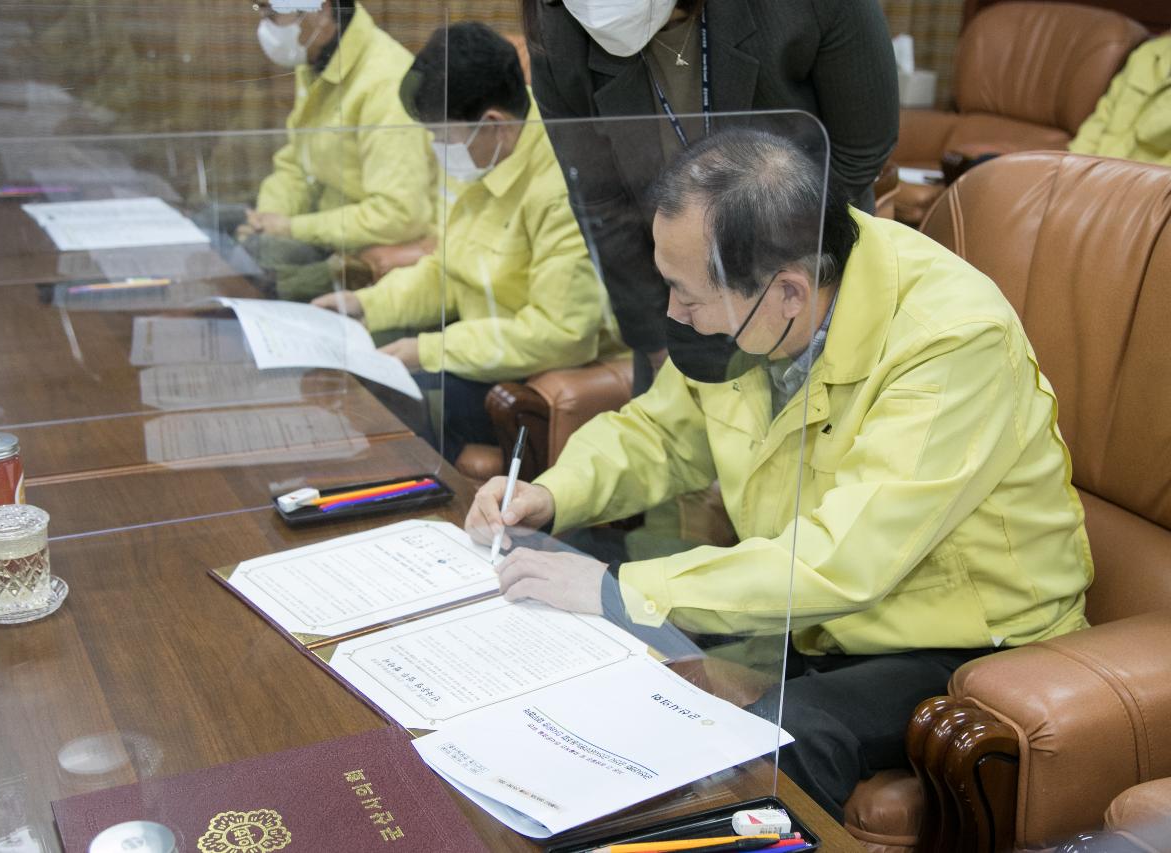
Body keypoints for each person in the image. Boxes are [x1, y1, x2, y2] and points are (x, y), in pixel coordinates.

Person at [464, 128, 1093, 820]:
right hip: (805, 609)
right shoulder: (761, 298)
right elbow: (662, 433)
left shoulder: (950, 339)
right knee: (581, 626)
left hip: (955, 633)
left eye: (686, 294)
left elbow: (844, 560)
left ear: (787, 292)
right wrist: (552, 494)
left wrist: (623, 590)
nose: (674, 313)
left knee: (774, 743)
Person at [522, 0, 898, 394]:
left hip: (797, 277)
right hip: (671, 290)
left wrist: (768, 291)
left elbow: (860, 149)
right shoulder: (560, 24)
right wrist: (658, 337)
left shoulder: (799, 10)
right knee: (671, 439)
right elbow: (600, 202)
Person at [314, 22, 622, 463]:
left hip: (537, 373)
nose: (437, 148)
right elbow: (448, 269)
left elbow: (562, 335)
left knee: (388, 404)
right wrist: (365, 304)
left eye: (442, 137)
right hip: (482, 352)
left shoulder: (559, 187)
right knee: (355, 372)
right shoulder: (482, 157)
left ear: (493, 124)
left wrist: (426, 350)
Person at [238, 0, 434, 299]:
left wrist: (292, 227)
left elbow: (398, 215)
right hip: (329, 234)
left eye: (274, 14)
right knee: (230, 232)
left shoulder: (385, 80)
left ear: (323, 11)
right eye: (262, 12)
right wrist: (266, 218)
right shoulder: (316, 60)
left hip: (376, 253)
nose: (265, 26)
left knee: (256, 264)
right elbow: (296, 167)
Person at [1069, 35, 1171, 166]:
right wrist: (1074, 163)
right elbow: (1102, 116)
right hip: (1094, 166)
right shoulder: (1148, 52)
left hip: (1143, 180)